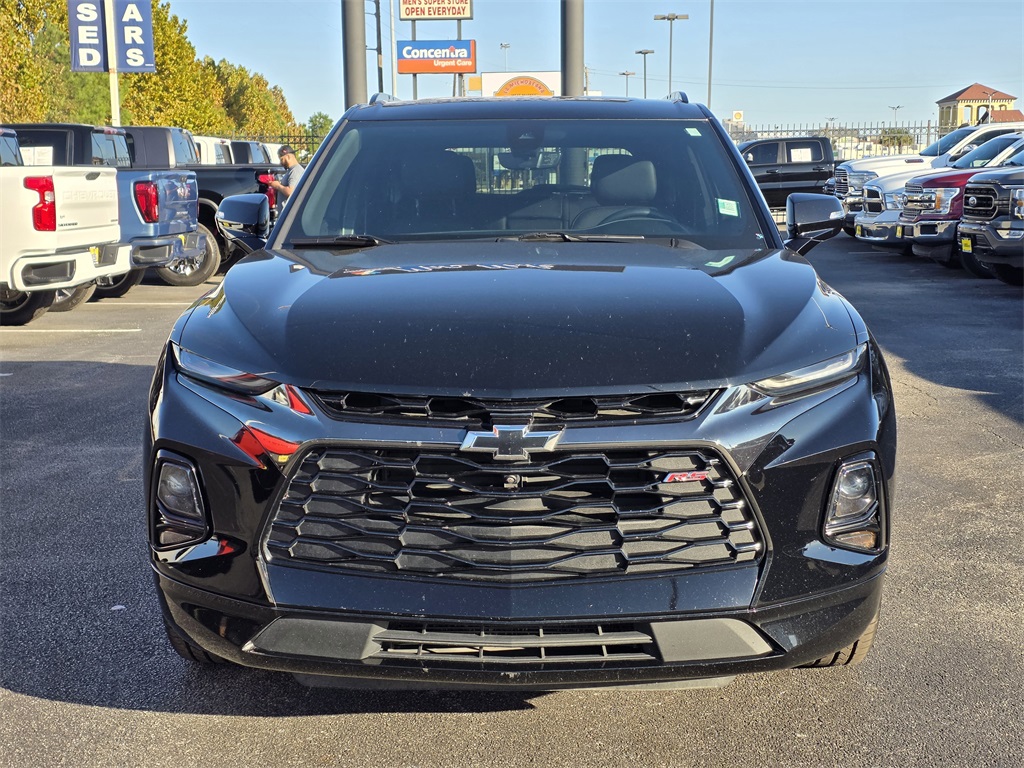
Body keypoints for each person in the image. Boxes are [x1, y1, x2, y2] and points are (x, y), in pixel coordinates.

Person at [268, 145, 304, 214]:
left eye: (281, 159)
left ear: (288, 156)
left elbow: (290, 192)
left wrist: (278, 186)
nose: (280, 163)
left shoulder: (295, 171)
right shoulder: (291, 170)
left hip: (289, 215)